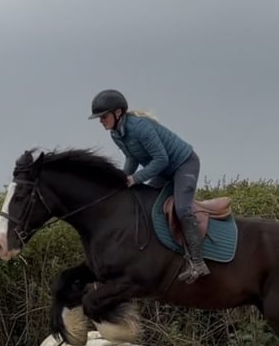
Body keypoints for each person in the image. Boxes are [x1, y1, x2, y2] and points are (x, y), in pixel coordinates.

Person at [89, 89, 210, 284]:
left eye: (103, 116)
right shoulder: (116, 134)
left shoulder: (140, 128)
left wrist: (135, 179)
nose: (101, 121)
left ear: (118, 113)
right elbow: (132, 158)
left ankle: (198, 262)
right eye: (99, 118)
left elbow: (161, 159)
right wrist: (122, 179)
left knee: (182, 208)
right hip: (163, 171)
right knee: (148, 205)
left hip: (184, 164)